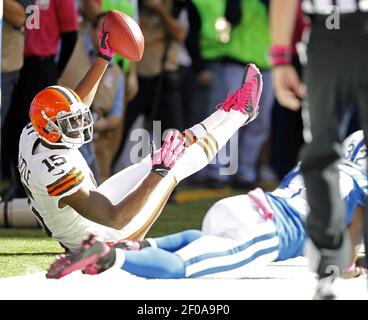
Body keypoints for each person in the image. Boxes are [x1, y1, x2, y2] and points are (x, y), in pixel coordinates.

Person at [17, 19, 263, 252]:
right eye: (71, 123)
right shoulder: (53, 169)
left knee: (160, 155)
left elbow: (77, 104)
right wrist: (158, 174)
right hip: (99, 238)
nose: (81, 125)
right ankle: (240, 115)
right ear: (50, 129)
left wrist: (104, 57)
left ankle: (225, 112)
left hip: (84, 219)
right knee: (173, 166)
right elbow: (115, 218)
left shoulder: (34, 131)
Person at [47, 130, 367, 288]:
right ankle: (109, 256)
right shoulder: (358, 186)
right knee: (180, 269)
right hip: (267, 232)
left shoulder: (315, 164)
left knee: (204, 239)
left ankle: (140, 245)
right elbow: (347, 244)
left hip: (242, 205)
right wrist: (351, 267)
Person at [270, 0, 368, 299]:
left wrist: (280, 57)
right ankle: (329, 264)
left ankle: (330, 266)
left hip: (330, 31)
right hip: (327, 31)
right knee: (321, 155)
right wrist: (280, 56)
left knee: (322, 154)